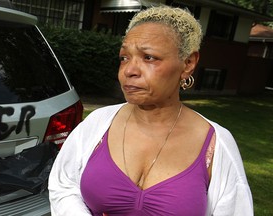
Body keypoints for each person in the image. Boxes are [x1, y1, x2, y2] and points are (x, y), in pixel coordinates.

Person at [48, 5, 253, 216]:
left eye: (149, 58)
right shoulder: (98, 124)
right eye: (124, 58)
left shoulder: (216, 144)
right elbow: (64, 185)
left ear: (188, 63)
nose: (129, 71)